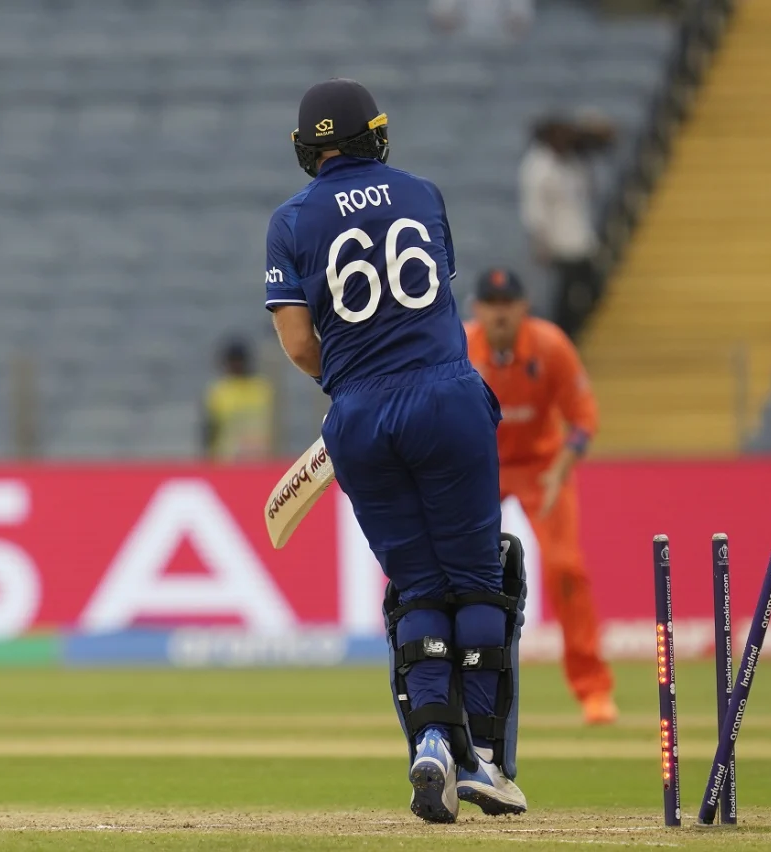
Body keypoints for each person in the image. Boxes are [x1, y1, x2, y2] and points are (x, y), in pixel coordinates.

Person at [265, 78, 527, 823]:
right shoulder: (422, 194)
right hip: (445, 396)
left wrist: (353, 384)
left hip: (358, 415)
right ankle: (483, 758)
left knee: (415, 587)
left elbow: (295, 342)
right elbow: (429, 300)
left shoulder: (288, 222)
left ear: (305, 151)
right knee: (478, 579)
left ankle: (432, 748)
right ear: (376, 135)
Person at [463, 268, 617, 727]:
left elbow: (584, 419)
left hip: (542, 469)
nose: (500, 312)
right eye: (491, 303)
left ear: (523, 307)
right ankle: (460, 690)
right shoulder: (462, 350)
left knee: (565, 567)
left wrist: (561, 471)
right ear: (478, 309)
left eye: (508, 302)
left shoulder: (549, 347)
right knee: (461, 574)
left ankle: (593, 689)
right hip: (480, 470)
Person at [519, 116, 613, 340]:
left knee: (590, 289)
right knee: (566, 296)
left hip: (581, 238)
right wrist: (541, 242)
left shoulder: (572, 160)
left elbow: (605, 140)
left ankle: (574, 332)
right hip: (559, 243)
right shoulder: (538, 167)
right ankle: (565, 337)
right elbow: (534, 210)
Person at [201, 338, 273, 461]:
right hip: (227, 462)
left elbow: (275, 427)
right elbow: (209, 431)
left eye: (239, 361)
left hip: (261, 460)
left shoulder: (262, 389)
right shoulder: (218, 392)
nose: (236, 365)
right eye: (233, 361)